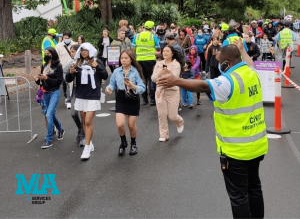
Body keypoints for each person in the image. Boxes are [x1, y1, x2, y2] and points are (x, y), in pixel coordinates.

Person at [157, 39, 268, 219]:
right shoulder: (252, 73)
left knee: (239, 197)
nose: (219, 66)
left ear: (226, 63)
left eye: (219, 62)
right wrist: (241, 49)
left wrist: (175, 80)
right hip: (257, 146)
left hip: (236, 151)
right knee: (254, 187)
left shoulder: (228, 81)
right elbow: (249, 61)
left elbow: (203, 85)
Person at [65, 43, 108, 160]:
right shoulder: (76, 64)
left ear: (91, 51)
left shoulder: (97, 62)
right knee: (84, 121)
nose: (84, 52)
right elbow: (68, 80)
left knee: (88, 121)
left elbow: (105, 76)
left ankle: (87, 147)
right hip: (80, 95)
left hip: (93, 95)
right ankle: (90, 142)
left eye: (86, 50)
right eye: (82, 50)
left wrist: (97, 67)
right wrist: (70, 73)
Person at [106, 50, 146, 156]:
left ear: (131, 59)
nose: (123, 60)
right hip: (121, 98)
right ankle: (123, 142)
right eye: (122, 58)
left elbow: (142, 88)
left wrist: (133, 86)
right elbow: (112, 84)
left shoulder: (136, 71)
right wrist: (109, 88)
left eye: (126, 58)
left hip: (133, 98)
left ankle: (133, 143)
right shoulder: (117, 71)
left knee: (131, 125)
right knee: (120, 125)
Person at [151, 45, 185, 142]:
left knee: (172, 115)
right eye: (164, 51)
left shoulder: (176, 64)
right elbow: (153, 78)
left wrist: (167, 72)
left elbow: (174, 78)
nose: (165, 53)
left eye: (167, 51)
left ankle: (180, 122)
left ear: (172, 53)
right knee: (162, 114)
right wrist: (159, 73)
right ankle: (164, 135)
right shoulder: (158, 64)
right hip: (160, 92)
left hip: (172, 92)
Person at [34, 47, 65, 149]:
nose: (47, 55)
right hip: (45, 93)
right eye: (45, 53)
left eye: (49, 53)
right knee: (50, 114)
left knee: (48, 114)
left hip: (54, 92)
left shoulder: (58, 66)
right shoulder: (44, 65)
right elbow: (42, 81)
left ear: (53, 54)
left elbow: (59, 81)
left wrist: (48, 78)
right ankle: (60, 129)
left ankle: (49, 139)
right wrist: (37, 80)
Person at [131, 21, 161, 106]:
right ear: (152, 28)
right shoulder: (153, 37)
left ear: (144, 26)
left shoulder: (137, 36)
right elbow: (158, 49)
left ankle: (144, 99)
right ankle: (152, 99)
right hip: (150, 60)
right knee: (151, 79)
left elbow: (132, 49)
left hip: (139, 60)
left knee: (142, 79)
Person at [63, 44, 85, 147]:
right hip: (75, 90)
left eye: (73, 51)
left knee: (84, 115)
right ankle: (80, 128)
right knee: (73, 113)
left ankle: (83, 135)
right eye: (70, 51)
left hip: (85, 92)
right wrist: (68, 78)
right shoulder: (71, 63)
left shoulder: (85, 62)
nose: (71, 53)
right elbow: (64, 72)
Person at [55, 31, 77, 108]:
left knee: (73, 84)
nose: (66, 39)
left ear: (70, 38)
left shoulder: (75, 45)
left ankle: (70, 98)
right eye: (65, 38)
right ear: (62, 38)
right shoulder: (58, 46)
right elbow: (56, 57)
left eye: (68, 38)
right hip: (63, 68)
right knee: (64, 83)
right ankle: (66, 96)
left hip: (73, 66)